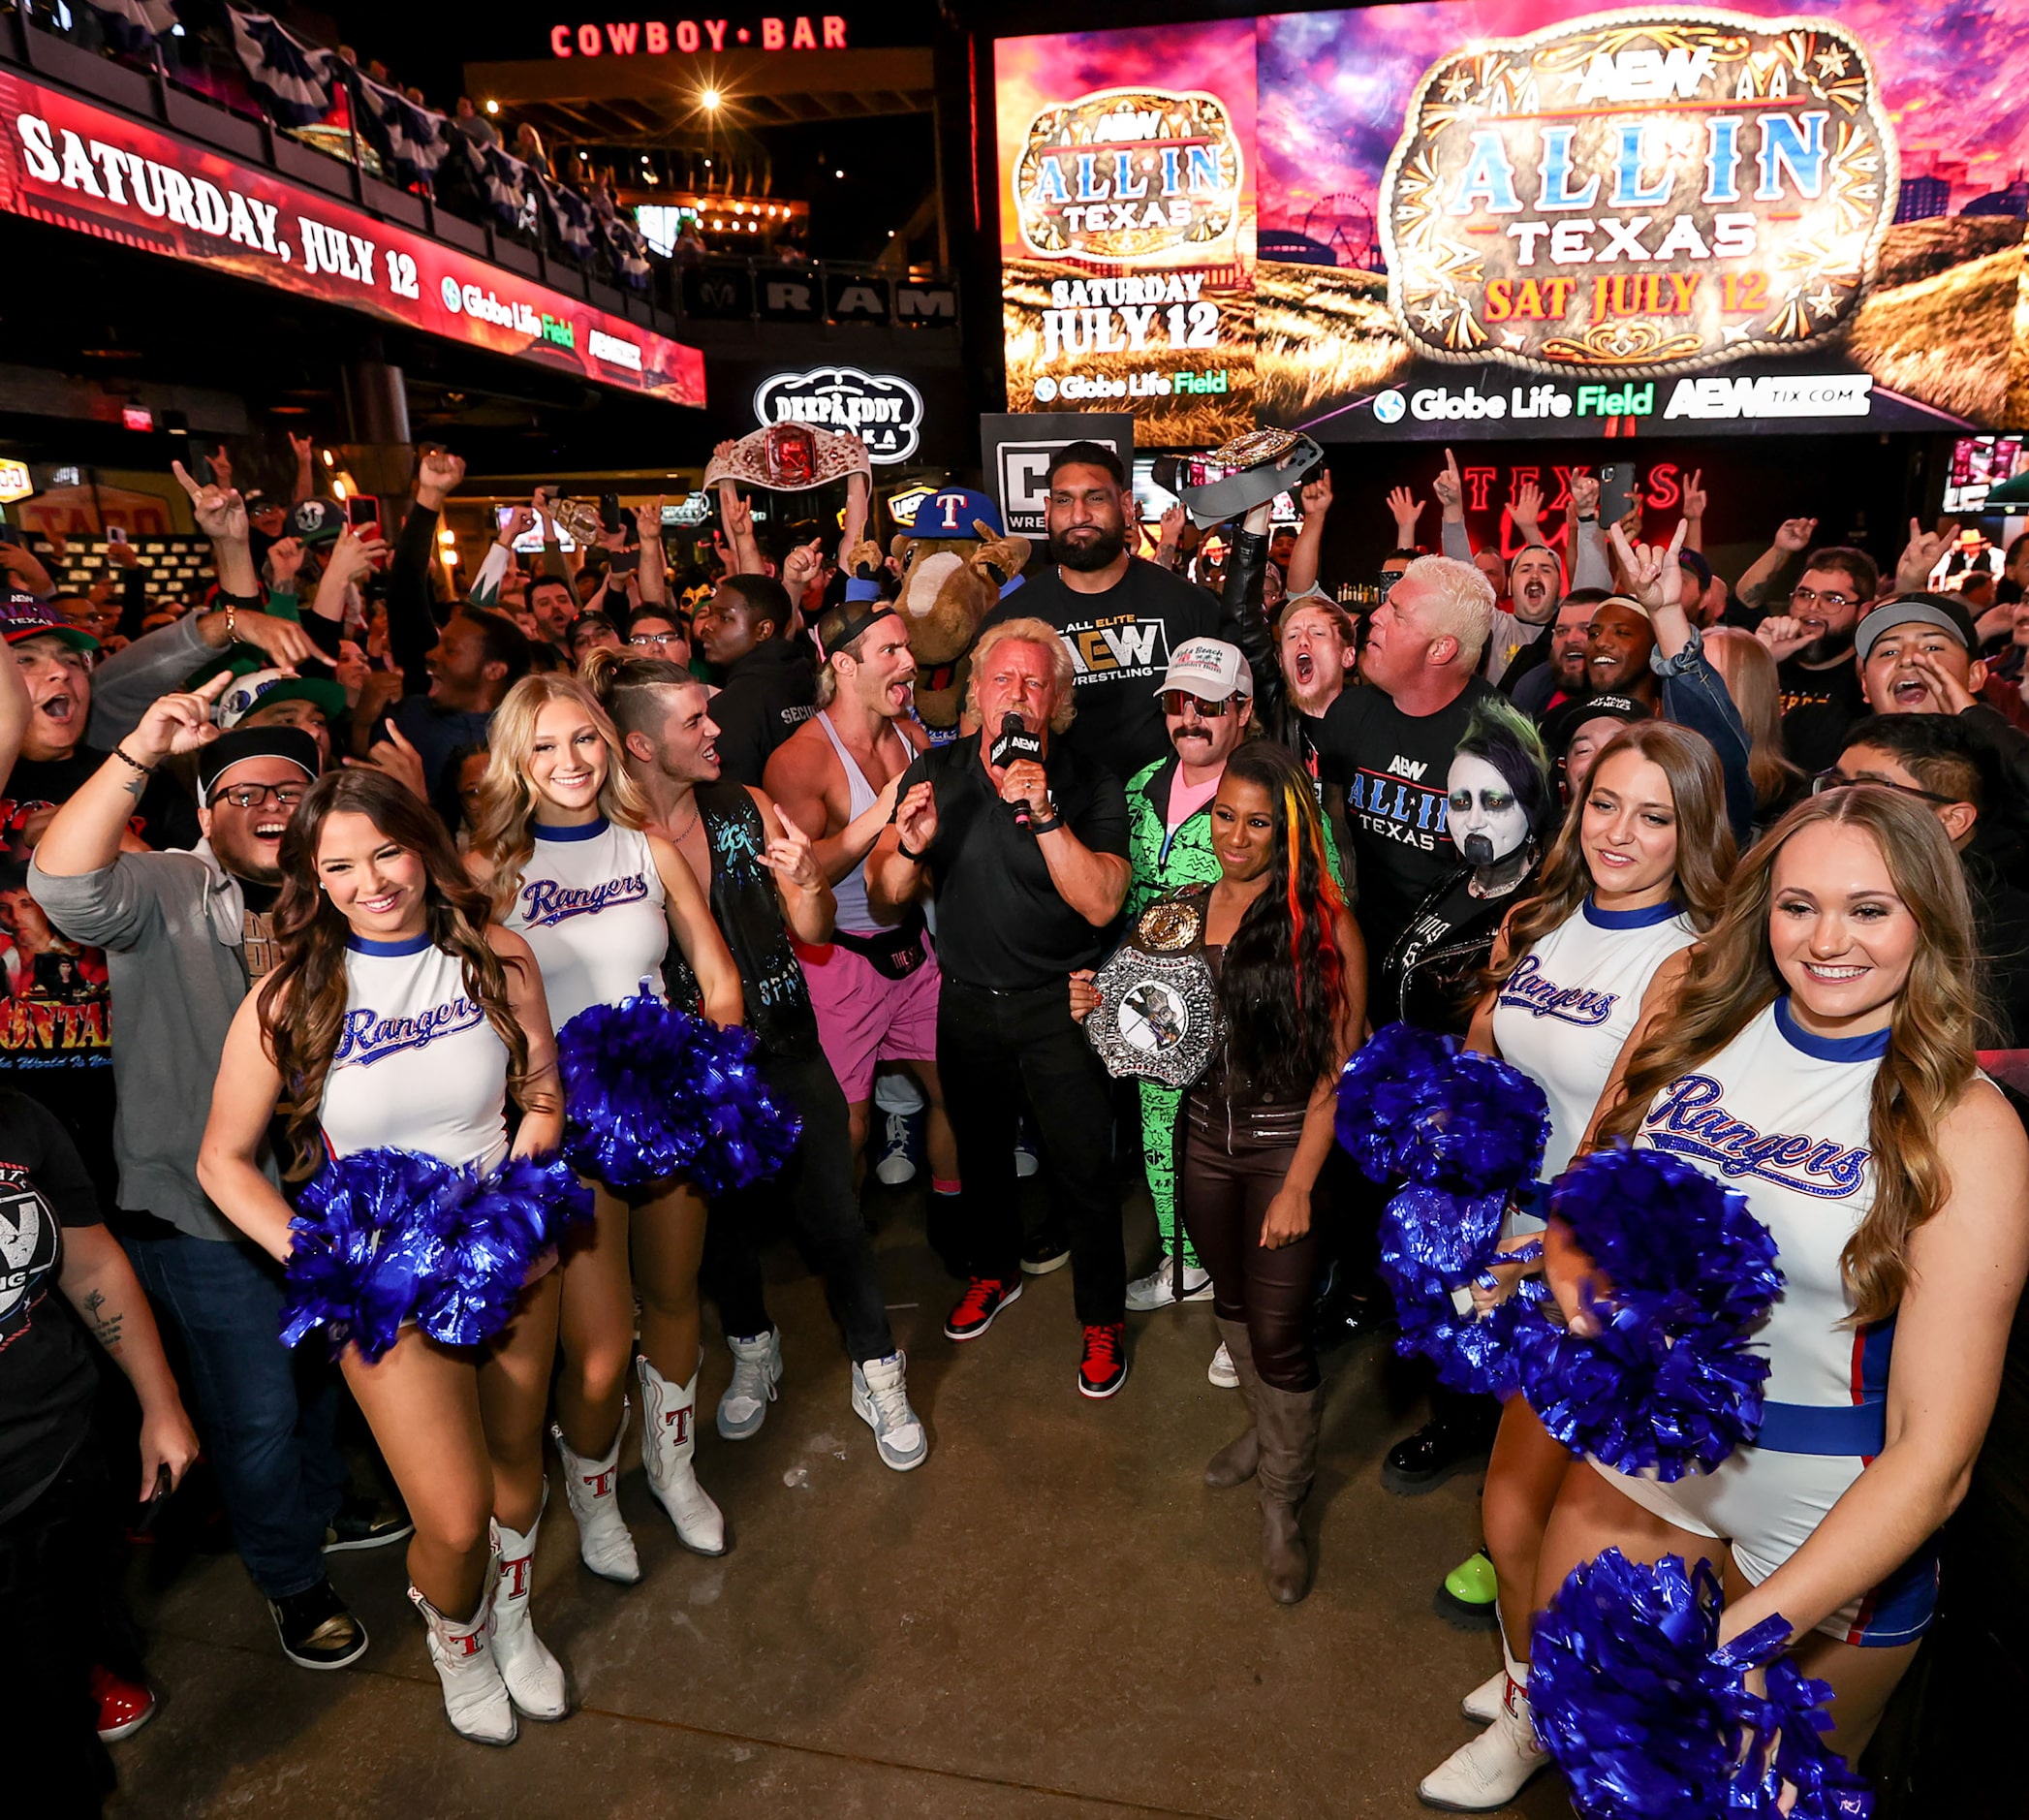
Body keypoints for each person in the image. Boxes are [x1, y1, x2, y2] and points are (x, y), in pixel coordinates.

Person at [1528, 788, 2028, 1786]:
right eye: (1797, 905)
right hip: (1649, 1467)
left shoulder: (1965, 1126)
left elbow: (1937, 1460)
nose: (1827, 938)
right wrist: (1580, 1307)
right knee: (1602, 1766)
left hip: (1827, 1520)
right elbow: (1590, 1200)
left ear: (1927, 917)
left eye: (1869, 909)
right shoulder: (1699, 1027)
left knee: (1741, 1804)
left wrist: (1747, 1636)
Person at [31, 690, 406, 1670]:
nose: (272, 806)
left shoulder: (334, 891)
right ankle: (289, 1577)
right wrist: (143, 751)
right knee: (256, 1412)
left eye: (292, 788)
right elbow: (64, 885)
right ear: (202, 813)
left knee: (323, 1375)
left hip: (323, 1198)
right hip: (201, 1217)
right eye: (242, 792)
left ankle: (321, 1510)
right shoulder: (162, 888)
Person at [198, 772, 574, 1746]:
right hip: (386, 1287)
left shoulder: (499, 957)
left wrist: (513, 1209)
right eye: (339, 866)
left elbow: (540, 1097)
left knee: (519, 1473)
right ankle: (459, 1637)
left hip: (510, 1256)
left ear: (423, 847)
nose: (372, 881)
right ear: (312, 881)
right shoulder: (291, 999)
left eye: (388, 852)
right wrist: (323, 1257)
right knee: (451, 1521)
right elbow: (222, 1163)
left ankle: (517, 1618)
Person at [1417, 721, 1736, 1808]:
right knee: (1518, 1518)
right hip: (1513, 1253)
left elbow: (1614, 1135)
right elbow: (1485, 1052)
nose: (1621, 833)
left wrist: (1525, 1253)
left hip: (1590, 1281)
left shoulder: (1689, 959)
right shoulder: (1548, 921)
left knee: (1524, 1521)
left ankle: (1534, 1721)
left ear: (1693, 832)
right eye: (1605, 803)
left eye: (1656, 816)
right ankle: (1527, 1680)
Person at [586, 652, 928, 1469]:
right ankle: (752, 1347)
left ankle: (877, 1365)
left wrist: (809, 882)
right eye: (695, 723)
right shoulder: (609, 846)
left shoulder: (747, 805)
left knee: (834, 1218)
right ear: (638, 747)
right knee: (723, 1235)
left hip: (783, 1041)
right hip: (679, 1073)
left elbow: (810, 930)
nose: (717, 731)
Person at [468, 674, 745, 1577]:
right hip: (563, 1131)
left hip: (664, 1110)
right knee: (595, 1354)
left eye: (583, 739)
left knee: (673, 1299)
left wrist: (714, 1072)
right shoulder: (488, 876)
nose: (569, 762)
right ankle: (593, 1498)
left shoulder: (646, 846)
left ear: (610, 743)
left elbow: (716, 971)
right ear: (516, 759)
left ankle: (671, 1469)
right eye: (544, 746)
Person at [1075, 743, 1362, 1600]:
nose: (1236, 836)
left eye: (1258, 822)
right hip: (1203, 1141)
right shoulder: (1177, 909)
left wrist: (1303, 1182)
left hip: (1283, 1150)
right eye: (1224, 817)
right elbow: (1147, 1032)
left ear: (1291, 830)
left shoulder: (1322, 924)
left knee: (1277, 1335)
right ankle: (1263, 1435)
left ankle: (1283, 1499)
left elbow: (1338, 1071)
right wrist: (1097, 1012)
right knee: (1231, 1308)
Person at [865, 619, 1134, 1396]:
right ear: (976, 694)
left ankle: (1101, 1317)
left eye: (1034, 683)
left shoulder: (1088, 780)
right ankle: (993, 1272)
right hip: (965, 1004)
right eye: (1002, 681)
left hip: (1062, 1007)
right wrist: (909, 851)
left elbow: (1101, 903)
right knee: (979, 1156)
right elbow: (886, 899)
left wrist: (1045, 812)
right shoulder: (937, 769)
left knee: (1082, 1171)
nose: (1016, 696)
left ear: (1057, 701)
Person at [0, 1084, 200, 1805]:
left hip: (54, 1462)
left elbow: (89, 1265)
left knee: (61, 1738)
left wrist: (161, 1404)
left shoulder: (21, 1120)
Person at [764, 597, 957, 1221]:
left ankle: (958, 1226)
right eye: (891, 652)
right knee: (845, 1129)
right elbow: (800, 875)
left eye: (908, 649)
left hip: (911, 948)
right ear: (844, 667)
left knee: (954, 1090)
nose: (910, 663)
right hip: (837, 959)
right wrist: (881, 811)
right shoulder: (801, 759)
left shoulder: (912, 735)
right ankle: (844, 1247)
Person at [1117, 640, 1264, 1317]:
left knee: (1238, 1153)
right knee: (1159, 1136)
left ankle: (1245, 1298)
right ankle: (1190, 1263)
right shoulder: (1139, 784)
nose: (1191, 720)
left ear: (1242, 711)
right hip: (1154, 1010)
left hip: (1246, 1012)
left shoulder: (1269, 794)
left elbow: (1322, 905)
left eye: (1209, 706)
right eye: (1179, 704)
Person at [977, 442, 1261, 787]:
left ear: (1126, 506)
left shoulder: (1188, 604)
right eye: (1064, 500)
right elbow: (977, 733)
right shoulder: (1010, 620)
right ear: (1048, 510)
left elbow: (1237, 716)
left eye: (1095, 498)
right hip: (1052, 818)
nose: (1079, 515)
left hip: (1167, 821)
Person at [1309, 554, 1498, 983]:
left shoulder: (1501, 740)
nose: (1374, 617)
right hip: (1354, 948)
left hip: (1452, 970)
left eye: (1396, 612)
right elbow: (1334, 829)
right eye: (1384, 603)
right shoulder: (1350, 712)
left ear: (1440, 648)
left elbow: (1508, 882)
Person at [1824, 714, 2029, 1047]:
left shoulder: (2010, 935)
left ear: (1952, 820)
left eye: (1872, 791)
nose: (1840, 805)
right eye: (1836, 785)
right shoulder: (1812, 876)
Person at [1377, 699, 1554, 1033]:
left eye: (1495, 802)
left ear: (1532, 807)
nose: (1473, 821)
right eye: (1460, 802)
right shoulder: (1449, 882)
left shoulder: (1542, 913)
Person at [690, 576, 815, 786]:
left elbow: (737, 802)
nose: (708, 626)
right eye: (710, 614)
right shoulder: (810, 678)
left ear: (763, 630)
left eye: (724, 618)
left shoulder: (727, 711)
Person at [1703, 626, 1806, 834]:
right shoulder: (1658, 767)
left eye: (1709, 676)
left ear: (1750, 691)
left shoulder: (1789, 795)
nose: (1690, 687)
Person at [1508, 589, 1608, 716]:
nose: (1571, 639)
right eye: (1562, 631)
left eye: (1586, 629)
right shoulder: (1532, 687)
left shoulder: (1633, 692)